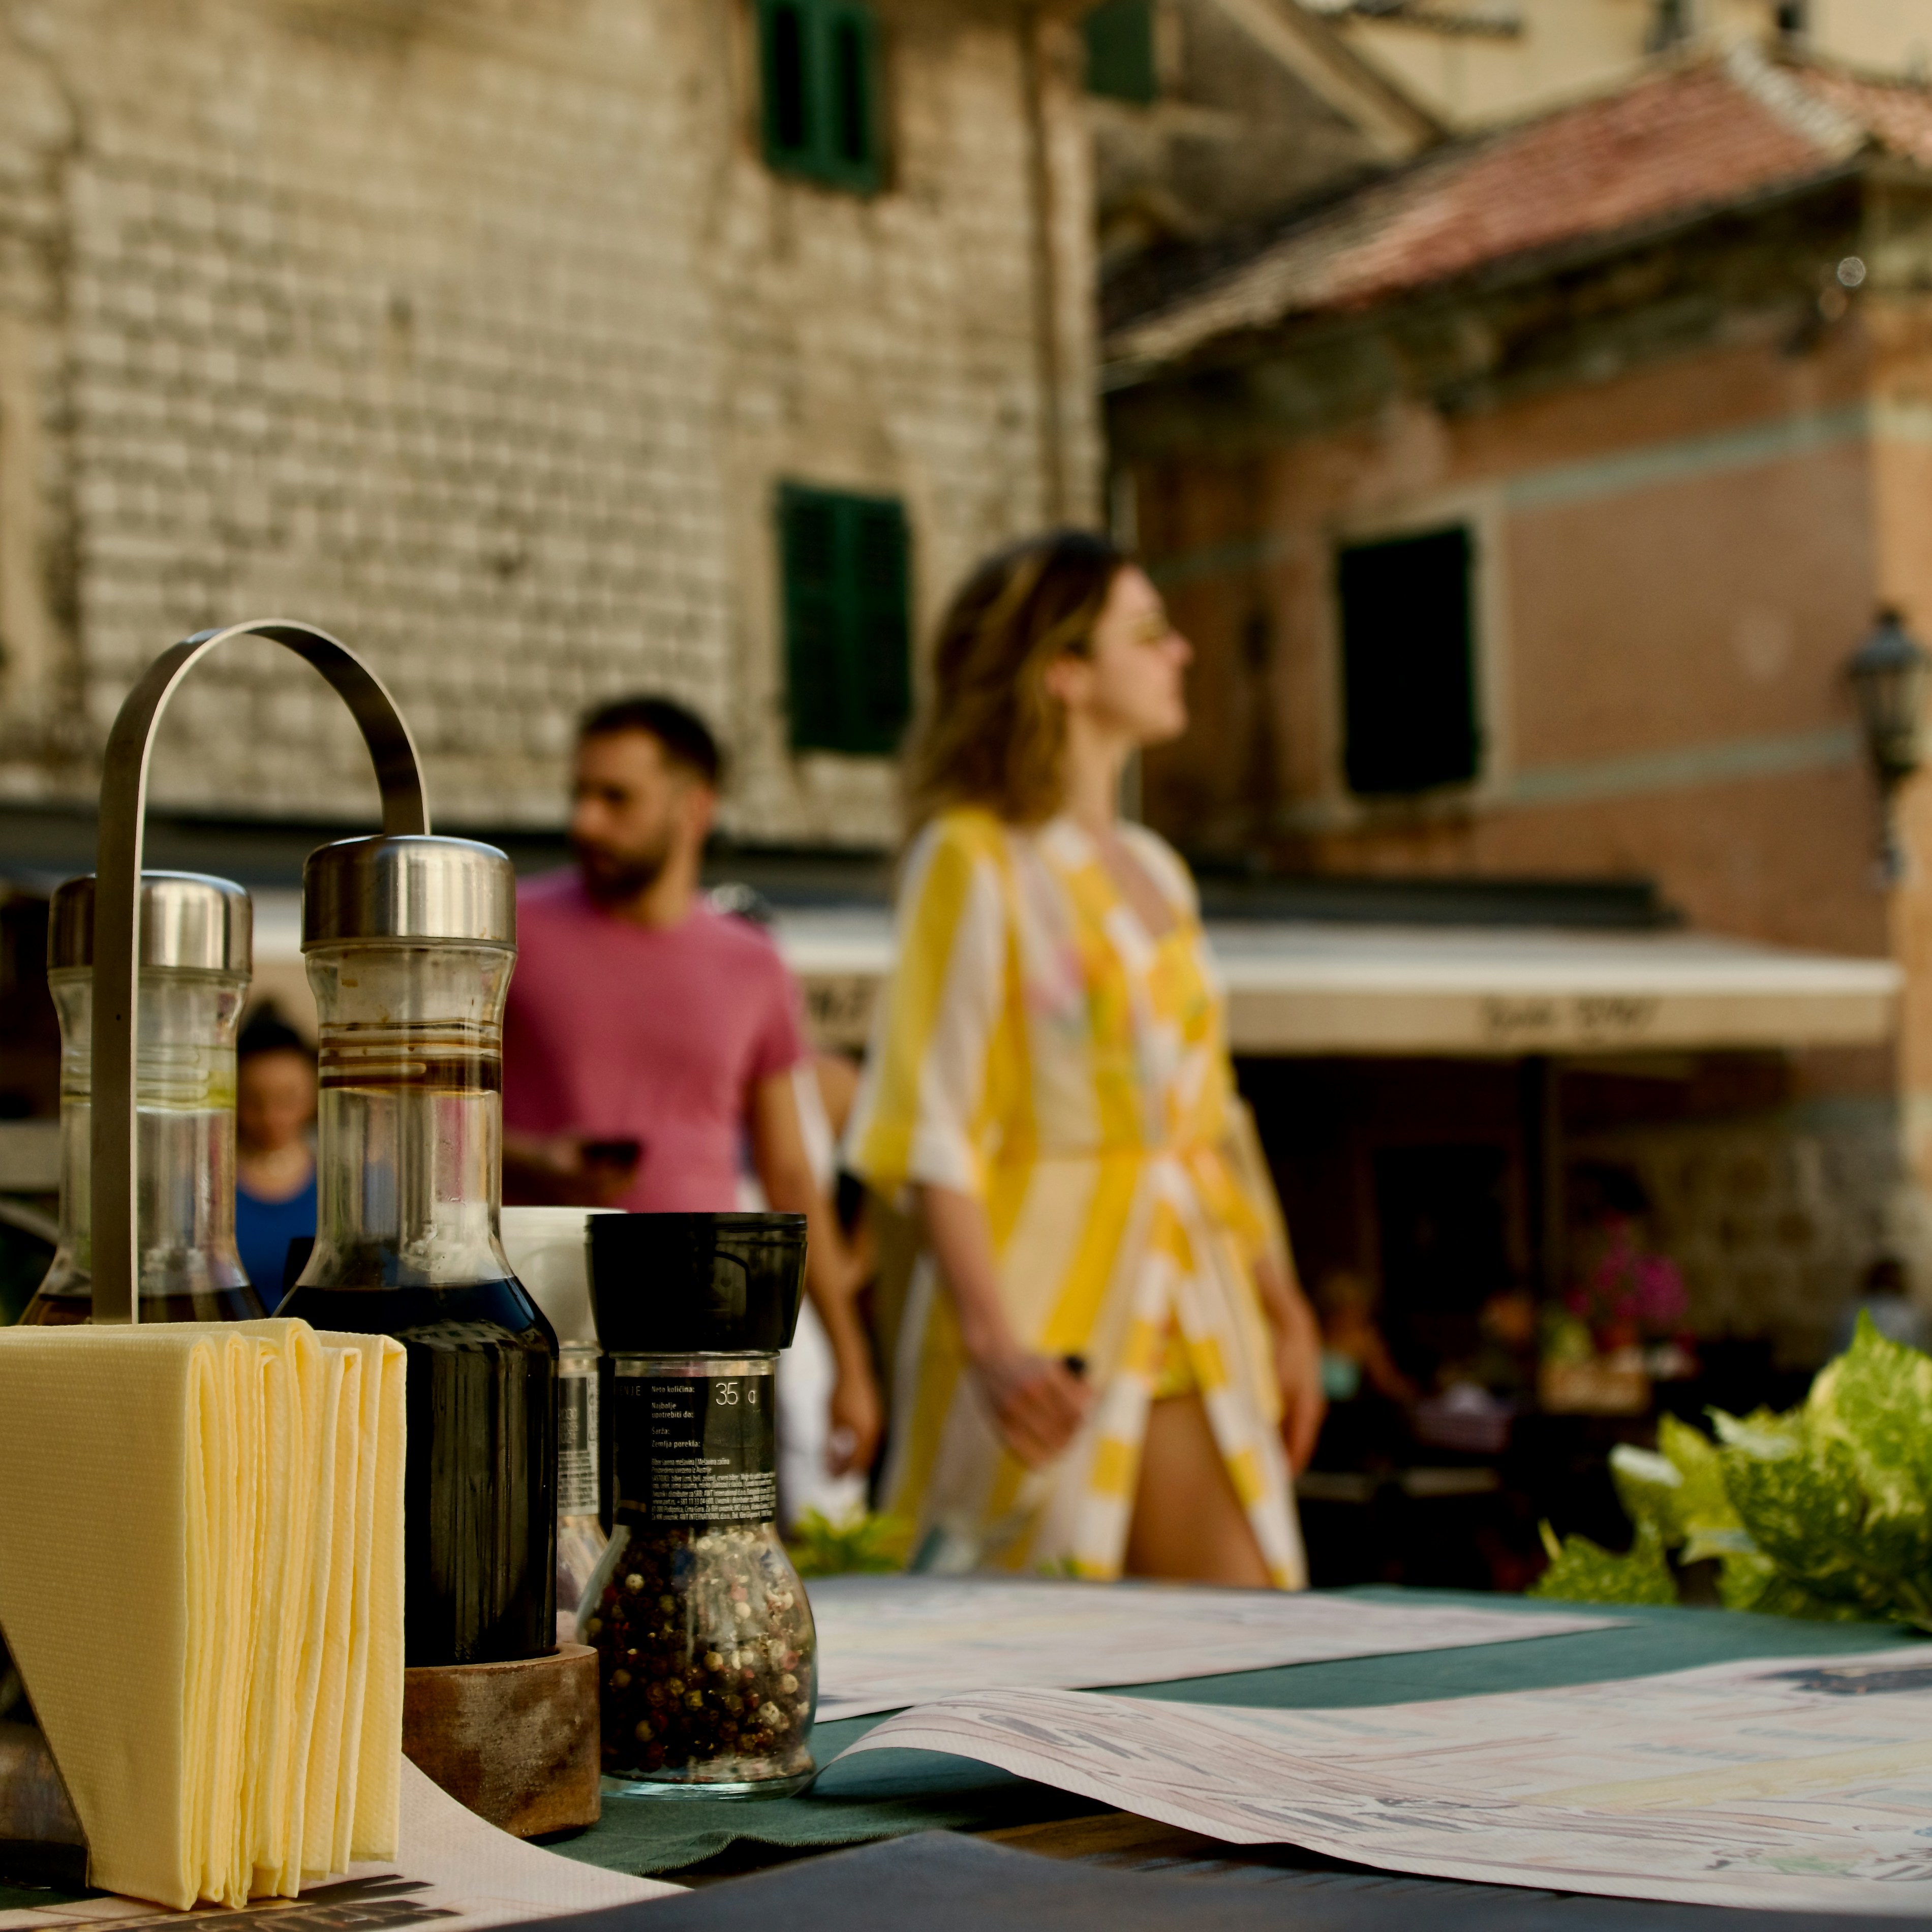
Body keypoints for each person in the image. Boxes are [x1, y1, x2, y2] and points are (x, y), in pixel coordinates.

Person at [845, 530, 1325, 1587]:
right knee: (1070, 1655)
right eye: (1148, 633)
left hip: (1194, 1283)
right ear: (1061, 670)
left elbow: (1215, 1119)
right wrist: (994, 1345)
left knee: (1228, 1635)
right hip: (1045, 1309)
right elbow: (930, 1121)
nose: (1182, 652)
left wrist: (1284, 1305)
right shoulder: (972, 857)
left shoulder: (1159, 868)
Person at [502, 694, 881, 1481]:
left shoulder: (753, 963)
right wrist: (537, 1158)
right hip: (536, 1324)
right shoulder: (510, 928)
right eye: (580, 794)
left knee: (696, 1581)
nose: (585, 821)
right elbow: (437, 1111)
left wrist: (853, 1363)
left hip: (699, 1340)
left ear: (693, 808)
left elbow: (792, 1176)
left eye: (616, 798)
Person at [234, 1007, 318, 1296]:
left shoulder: (347, 1185)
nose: (271, 1116)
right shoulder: (205, 1187)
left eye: (287, 1099)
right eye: (255, 1101)